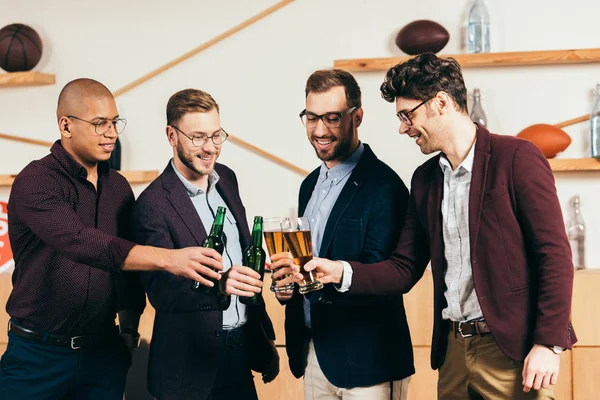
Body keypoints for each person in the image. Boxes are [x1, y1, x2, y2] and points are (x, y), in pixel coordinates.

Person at [302, 54, 577, 399]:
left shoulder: (517, 158)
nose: (403, 127)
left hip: (513, 352)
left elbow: (553, 255)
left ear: (441, 103)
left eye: (408, 114)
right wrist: (339, 272)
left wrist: (548, 343)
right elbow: (403, 268)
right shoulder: (425, 180)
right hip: (453, 352)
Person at [0, 78, 225, 399]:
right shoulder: (36, 181)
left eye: (114, 122)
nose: (111, 133)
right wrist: (169, 258)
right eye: (99, 124)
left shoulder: (118, 187)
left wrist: (129, 330)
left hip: (103, 354)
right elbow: (80, 242)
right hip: (38, 356)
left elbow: (126, 275)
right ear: (66, 125)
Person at [269, 69, 413, 400]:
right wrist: (287, 285)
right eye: (311, 118)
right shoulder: (309, 185)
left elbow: (383, 274)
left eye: (332, 118)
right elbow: (308, 265)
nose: (320, 130)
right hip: (315, 353)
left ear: (357, 116)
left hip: (368, 361)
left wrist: (327, 273)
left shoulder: (385, 186)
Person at [131, 88, 279, 400]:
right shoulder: (152, 204)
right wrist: (220, 285)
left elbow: (244, 254)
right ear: (172, 136)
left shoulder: (227, 178)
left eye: (216, 135)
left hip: (240, 353)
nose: (210, 147)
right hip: (188, 369)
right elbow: (163, 293)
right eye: (198, 137)